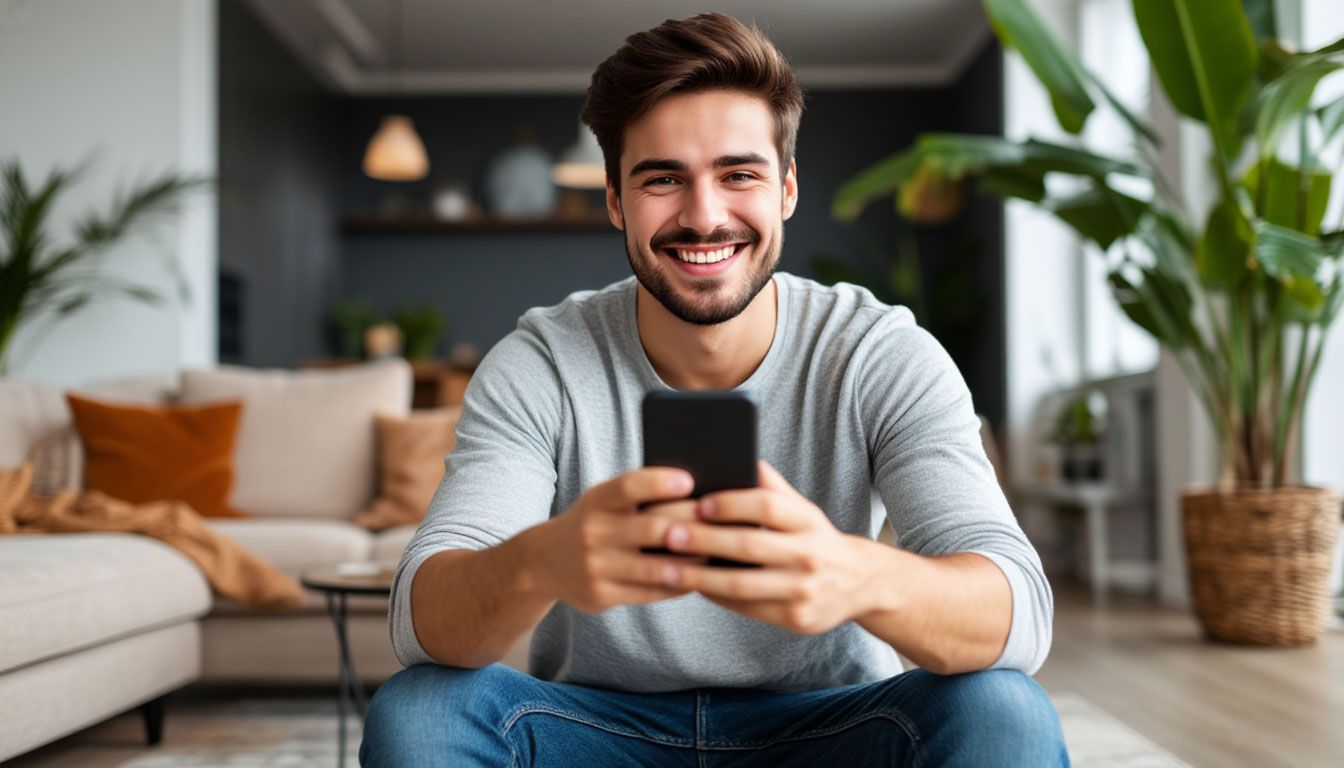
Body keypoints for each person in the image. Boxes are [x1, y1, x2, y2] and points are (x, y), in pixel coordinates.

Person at [361, 12, 1068, 767]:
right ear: (613, 200)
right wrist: (544, 561)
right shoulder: (543, 360)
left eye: (739, 174)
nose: (704, 216)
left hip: (833, 729)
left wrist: (857, 574)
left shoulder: (878, 352)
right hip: (598, 732)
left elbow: (1018, 615)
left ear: (787, 188)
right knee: (422, 712)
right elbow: (419, 620)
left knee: (1005, 711)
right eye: (662, 178)